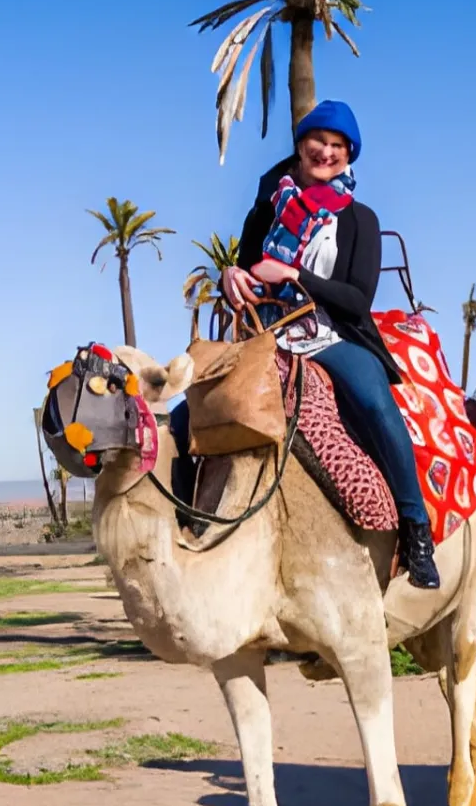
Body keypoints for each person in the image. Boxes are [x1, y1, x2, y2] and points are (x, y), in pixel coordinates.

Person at [178, 98, 440, 588]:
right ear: (301, 145)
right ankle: (182, 522)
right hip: (265, 336)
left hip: (329, 335)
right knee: (186, 413)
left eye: (338, 145)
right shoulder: (267, 208)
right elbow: (247, 267)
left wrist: (295, 274)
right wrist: (232, 275)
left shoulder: (359, 218)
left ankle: (416, 530)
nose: (327, 151)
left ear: (349, 155)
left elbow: (358, 299)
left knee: (375, 404)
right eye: (319, 140)